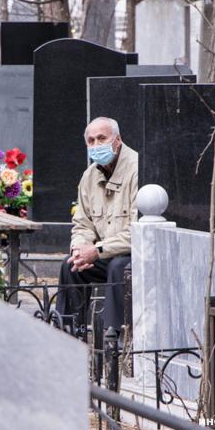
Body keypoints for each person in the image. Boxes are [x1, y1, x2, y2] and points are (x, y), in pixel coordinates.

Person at [56, 116, 138, 334]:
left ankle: (115, 336)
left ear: (117, 140)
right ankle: (69, 331)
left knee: (118, 267)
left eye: (102, 138)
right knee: (71, 266)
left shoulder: (137, 169)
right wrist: (79, 248)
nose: (96, 145)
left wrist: (96, 250)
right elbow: (82, 223)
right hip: (104, 252)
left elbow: (137, 232)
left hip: (136, 254)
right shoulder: (90, 175)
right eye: (91, 141)